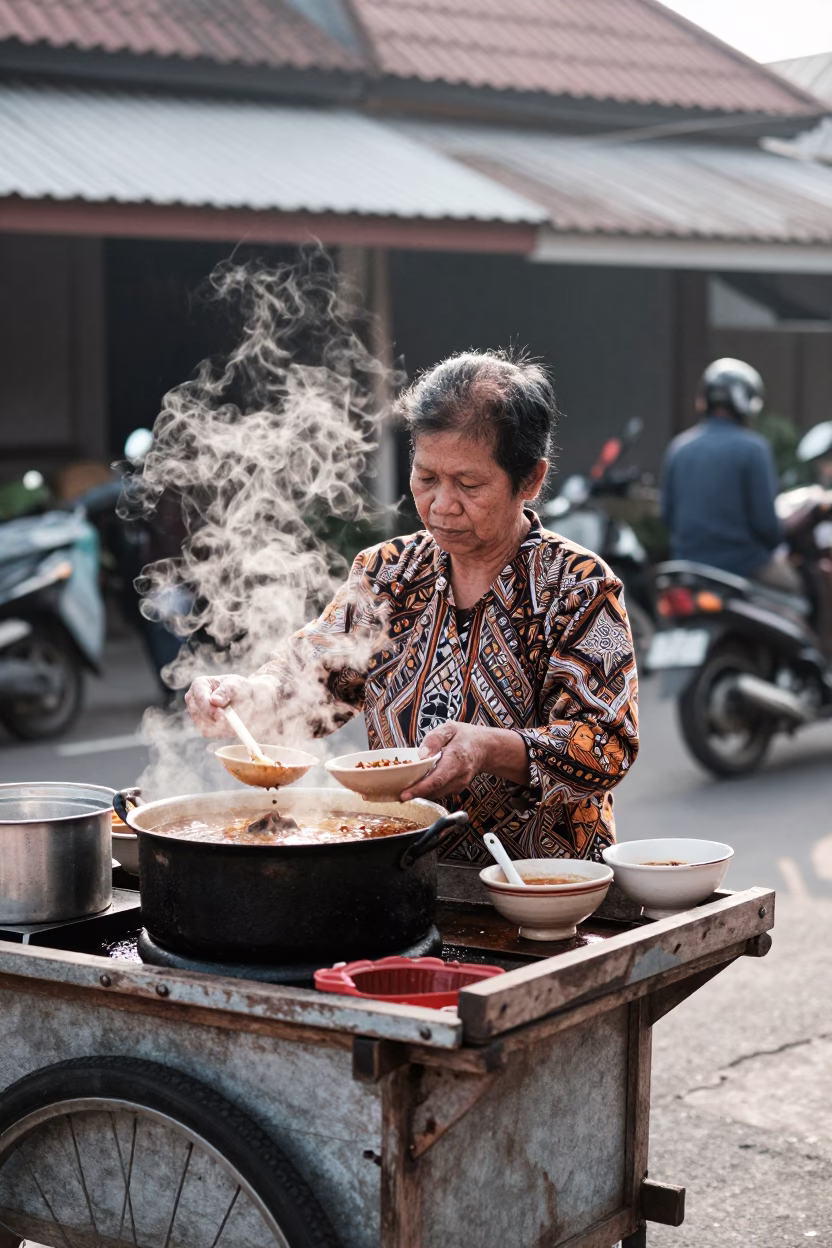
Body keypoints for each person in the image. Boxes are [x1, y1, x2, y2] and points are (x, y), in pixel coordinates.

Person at [186, 351, 639, 865]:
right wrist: (246, 695)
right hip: (404, 867)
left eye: (469, 485)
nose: (442, 504)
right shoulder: (388, 574)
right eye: (426, 478)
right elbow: (312, 683)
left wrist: (489, 748)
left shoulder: (578, 586)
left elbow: (606, 745)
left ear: (530, 480)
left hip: (546, 886)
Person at [661, 358, 802, 595]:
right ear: (748, 402)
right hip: (743, 566)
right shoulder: (753, 448)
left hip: (686, 569)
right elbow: (767, 526)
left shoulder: (679, 448)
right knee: (798, 591)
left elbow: (668, 516)